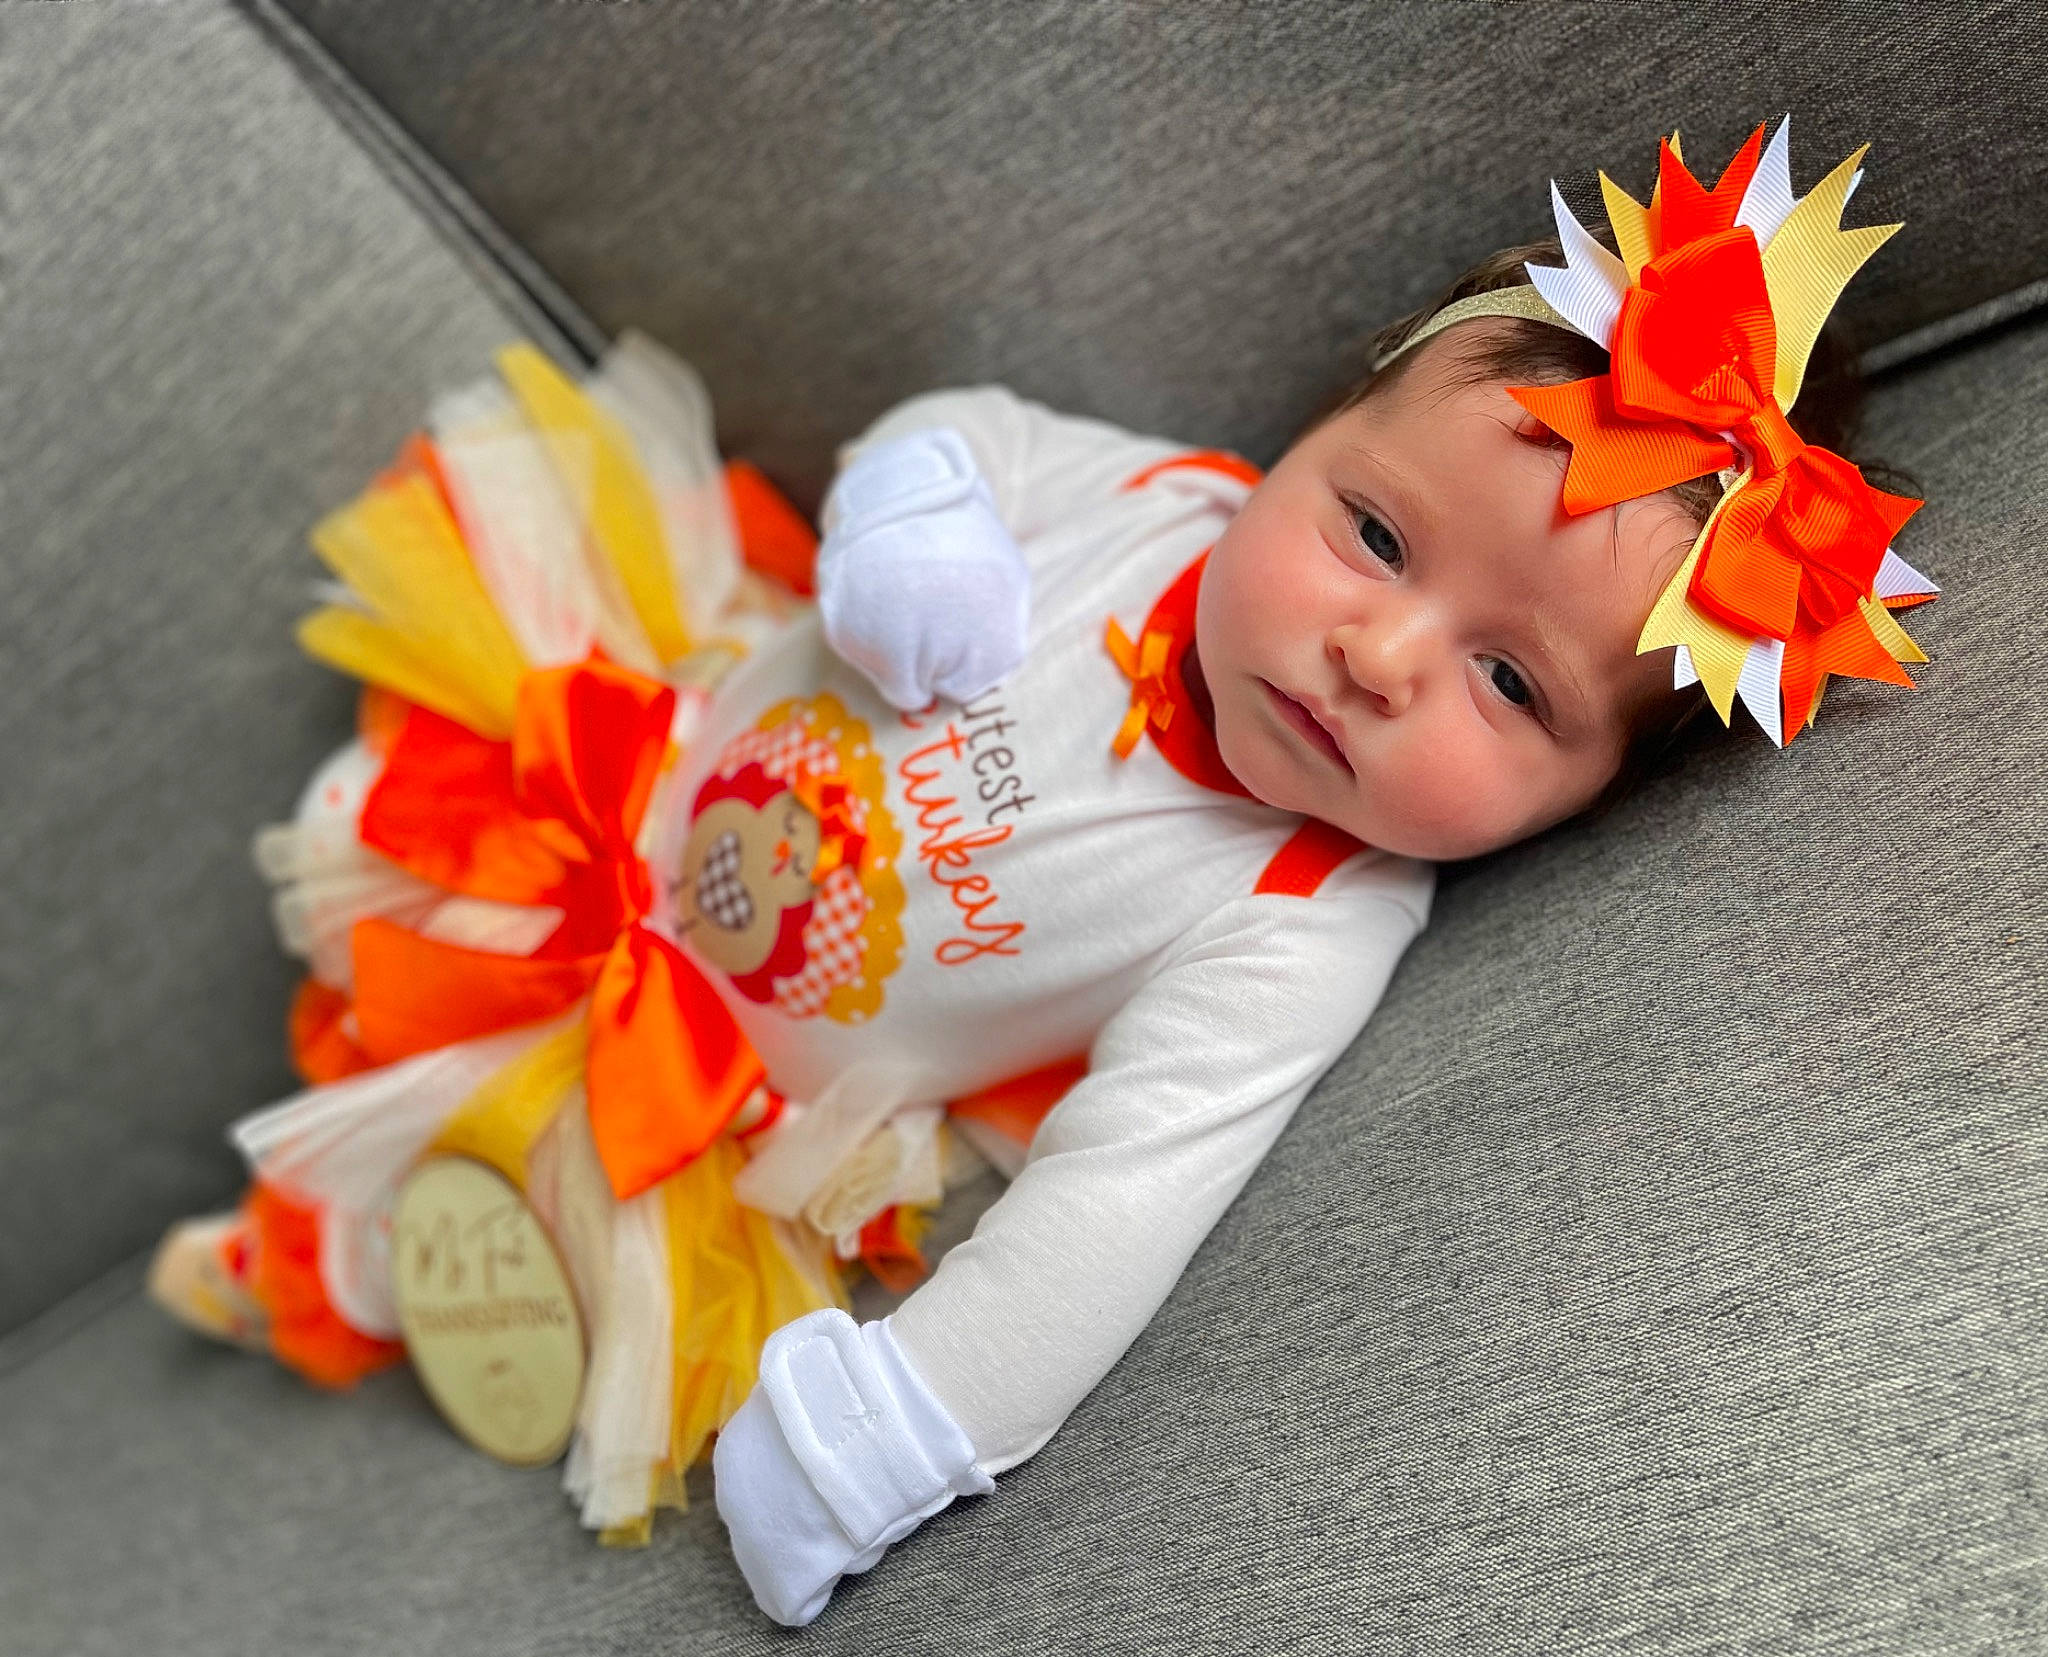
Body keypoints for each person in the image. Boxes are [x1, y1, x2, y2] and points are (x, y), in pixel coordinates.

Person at [150, 119, 1935, 1627]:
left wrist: (908, 1419)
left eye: (1512, 682)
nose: (1381, 651)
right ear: (1310, 439)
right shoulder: (1167, 502)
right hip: (633, 755)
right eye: (1374, 532)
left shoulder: (1302, 918)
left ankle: (313, 1265)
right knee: (387, 896)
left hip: (716, 1074)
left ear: (1583, 803)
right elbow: (979, 428)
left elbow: (1117, 1209)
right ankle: (316, 1168)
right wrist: (915, 510)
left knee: (516, 1194)